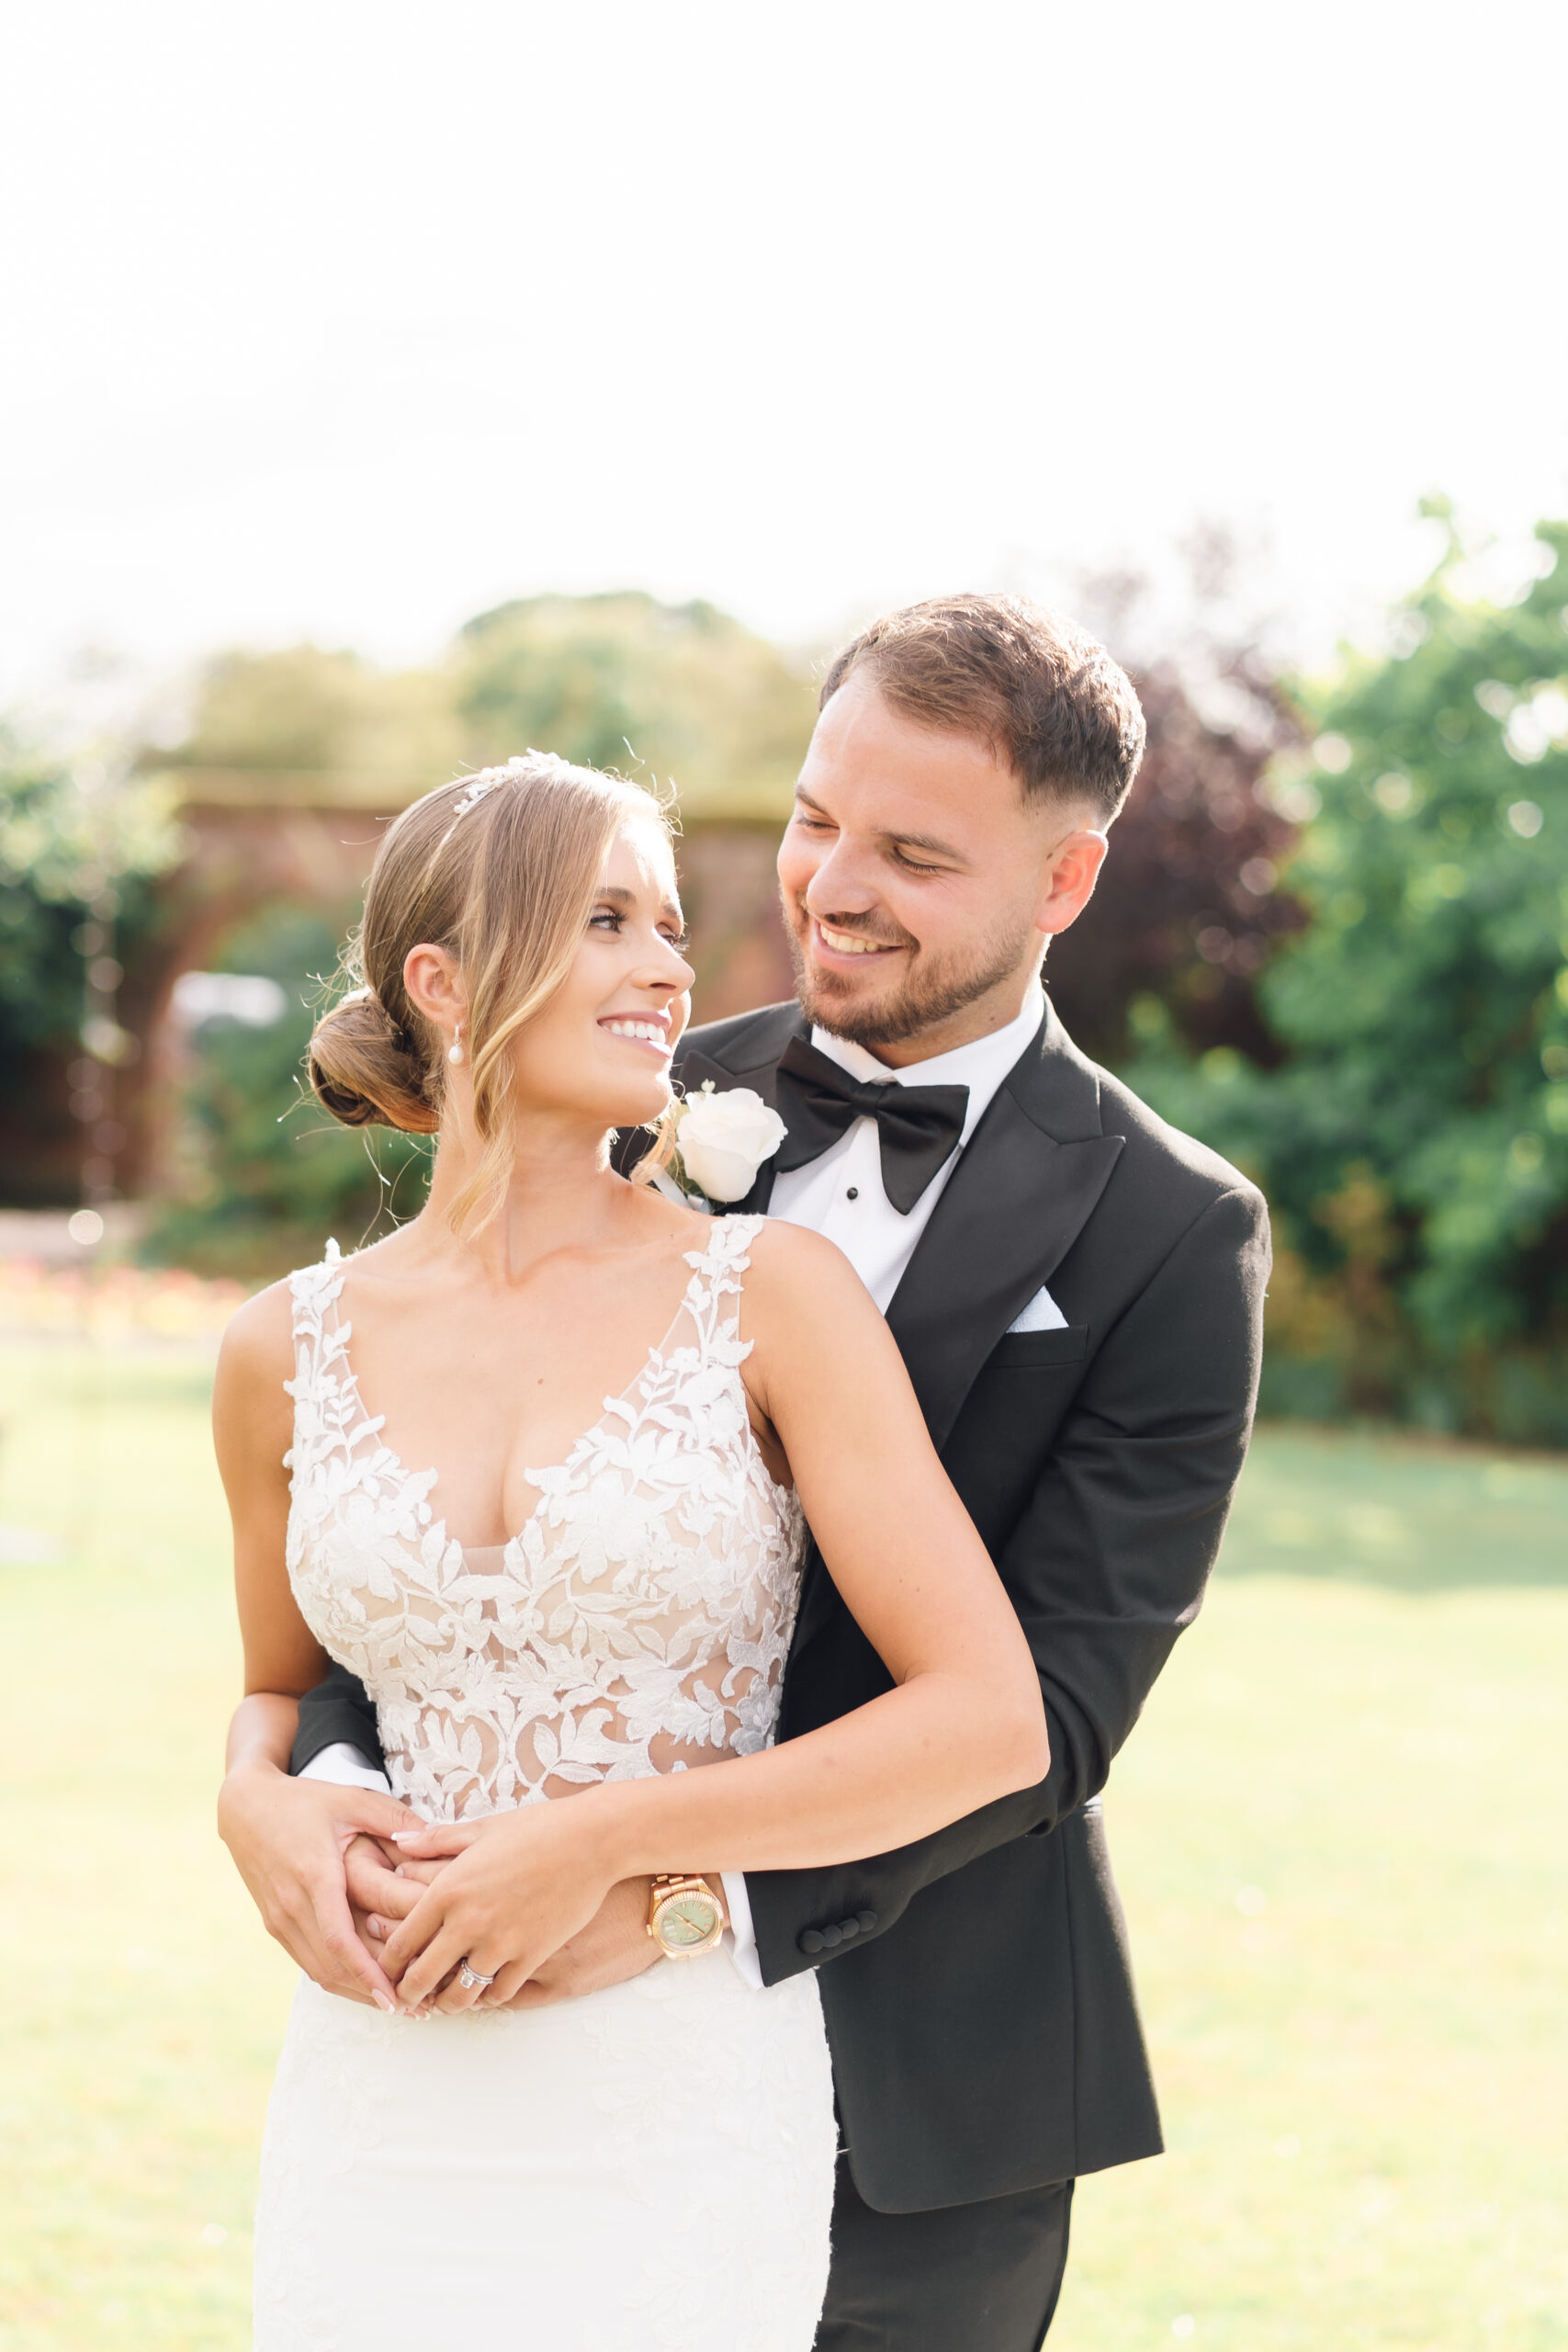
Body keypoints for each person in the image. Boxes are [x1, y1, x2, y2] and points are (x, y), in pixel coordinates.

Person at [231, 594, 1272, 2351]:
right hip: (467, 2025)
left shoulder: (1172, 1233)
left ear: (1061, 886)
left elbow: (1055, 1717)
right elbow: (401, 1566)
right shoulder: (626, 1083)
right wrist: (279, 1793)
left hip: (939, 2077)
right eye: (811, 820)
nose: (828, 887)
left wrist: (663, 1896)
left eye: (914, 855)